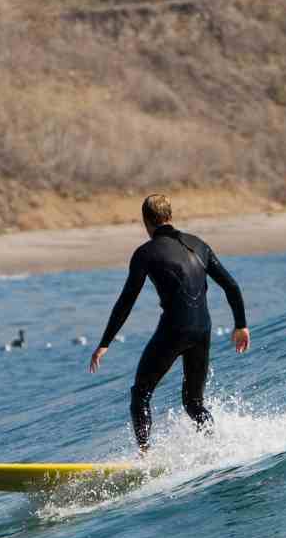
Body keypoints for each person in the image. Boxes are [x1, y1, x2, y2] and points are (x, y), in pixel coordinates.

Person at [90, 194, 250, 453]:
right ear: (170, 216)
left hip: (174, 330)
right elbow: (231, 285)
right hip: (202, 329)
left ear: (146, 221)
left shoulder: (145, 253)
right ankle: (217, 447)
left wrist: (105, 343)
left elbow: (126, 300)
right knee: (194, 403)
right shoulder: (198, 244)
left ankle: (145, 455)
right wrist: (240, 325)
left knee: (141, 394)